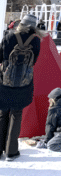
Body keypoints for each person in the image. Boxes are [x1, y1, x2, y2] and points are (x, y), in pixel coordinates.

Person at [0, 14, 43, 161]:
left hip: (5, 81)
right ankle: (11, 152)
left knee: (3, 114)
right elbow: (34, 61)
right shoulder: (36, 40)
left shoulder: (8, 35)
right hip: (24, 82)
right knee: (16, 115)